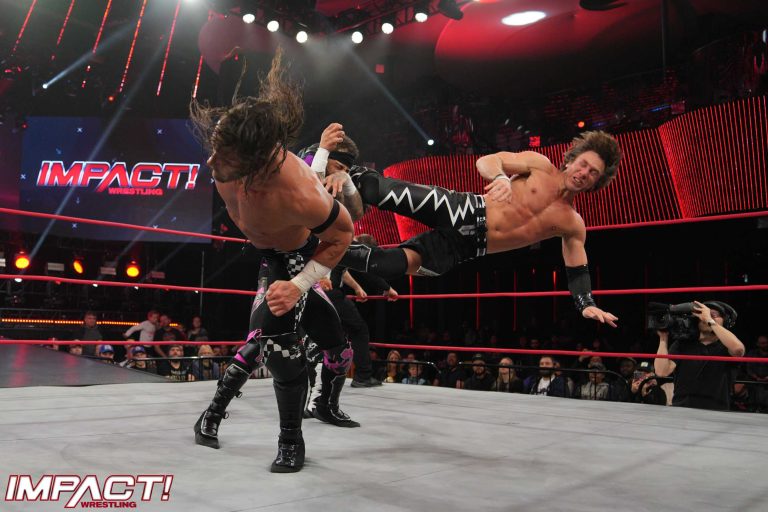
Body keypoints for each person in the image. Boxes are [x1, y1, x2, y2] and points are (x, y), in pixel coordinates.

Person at [190, 48, 355, 473]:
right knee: (277, 344)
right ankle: (282, 437)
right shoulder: (231, 150)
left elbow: (343, 234)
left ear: (257, 161)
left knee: (327, 344)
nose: (211, 162)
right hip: (267, 255)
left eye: (224, 156)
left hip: (297, 259)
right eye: (215, 149)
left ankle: (303, 421)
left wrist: (300, 284)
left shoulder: (298, 191)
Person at [340, 131, 622, 325]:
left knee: (384, 265)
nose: (583, 174)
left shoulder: (572, 223)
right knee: (378, 190)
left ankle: (326, 246)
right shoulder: (540, 166)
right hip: (461, 208)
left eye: (593, 173)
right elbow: (487, 160)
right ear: (571, 159)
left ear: (596, 182)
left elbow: (577, 268)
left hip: (465, 247)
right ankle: (334, 168)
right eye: (583, 165)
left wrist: (586, 304)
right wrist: (500, 177)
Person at [654, 301, 745, 411]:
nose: (705, 317)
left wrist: (710, 320)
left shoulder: (726, 347)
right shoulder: (682, 344)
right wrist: (663, 339)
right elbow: (662, 372)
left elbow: (738, 349)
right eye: (703, 314)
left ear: (725, 322)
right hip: (682, 408)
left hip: (716, 410)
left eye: (713, 315)